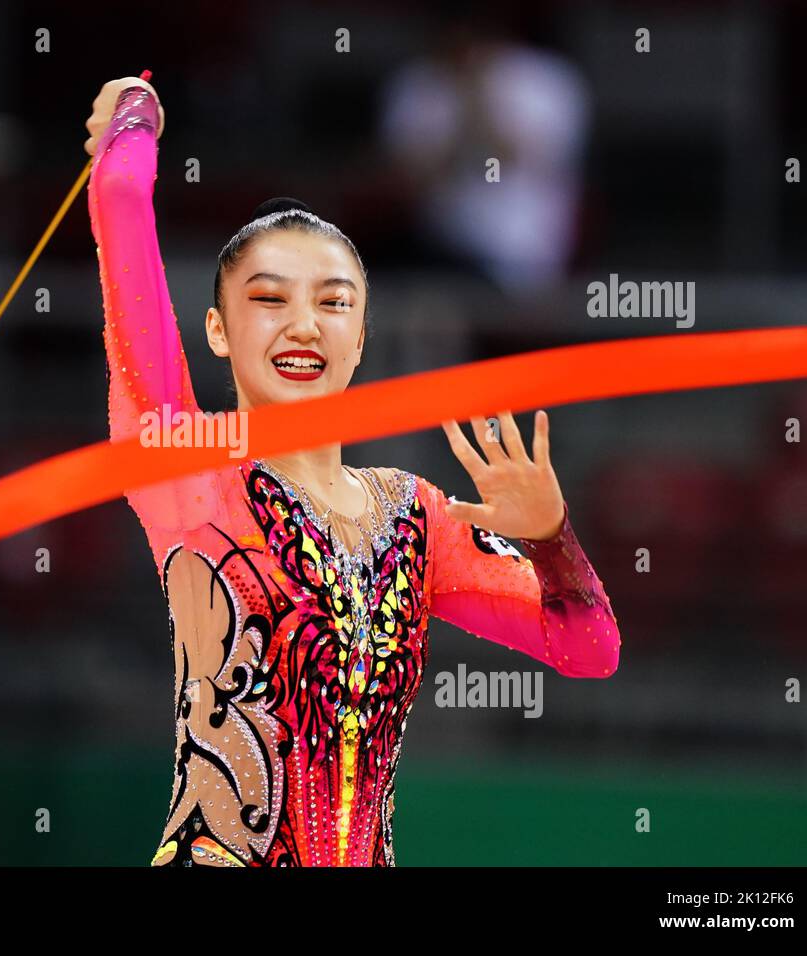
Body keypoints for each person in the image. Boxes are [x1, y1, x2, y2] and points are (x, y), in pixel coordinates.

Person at [83, 76, 619, 867]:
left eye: (333, 303)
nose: (304, 323)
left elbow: (590, 648)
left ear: (361, 337)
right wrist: (132, 125)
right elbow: (124, 206)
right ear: (218, 331)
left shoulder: (417, 515)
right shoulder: (186, 466)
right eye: (270, 299)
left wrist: (551, 538)